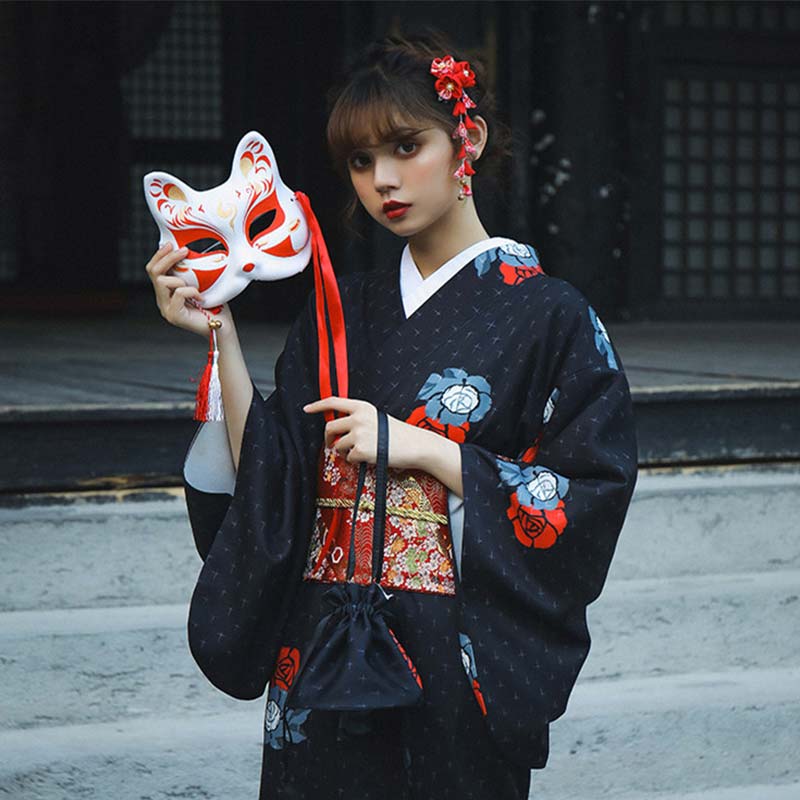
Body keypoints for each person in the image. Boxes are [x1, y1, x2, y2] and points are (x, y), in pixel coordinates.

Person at [145, 31, 638, 800]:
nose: (382, 180)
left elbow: (590, 490)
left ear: (467, 139)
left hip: (451, 657)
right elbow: (273, 476)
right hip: (323, 643)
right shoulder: (343, 310)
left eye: (407, 147)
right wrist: (220, 332)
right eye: (360, 160)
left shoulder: (552, 316)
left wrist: (432, 452)